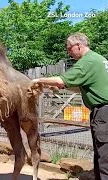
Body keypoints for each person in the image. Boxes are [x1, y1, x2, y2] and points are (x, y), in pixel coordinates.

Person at [32, 32, 108, 180]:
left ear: (78, 46)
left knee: (105, 157)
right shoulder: (99, 59)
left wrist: (38, 80)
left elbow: (61, 80)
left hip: (104, 112)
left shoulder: (88, 61)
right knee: (101, 154)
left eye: (69, 48)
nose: (68, 52)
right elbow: (82, 85)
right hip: (102, 111)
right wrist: (61, 87)